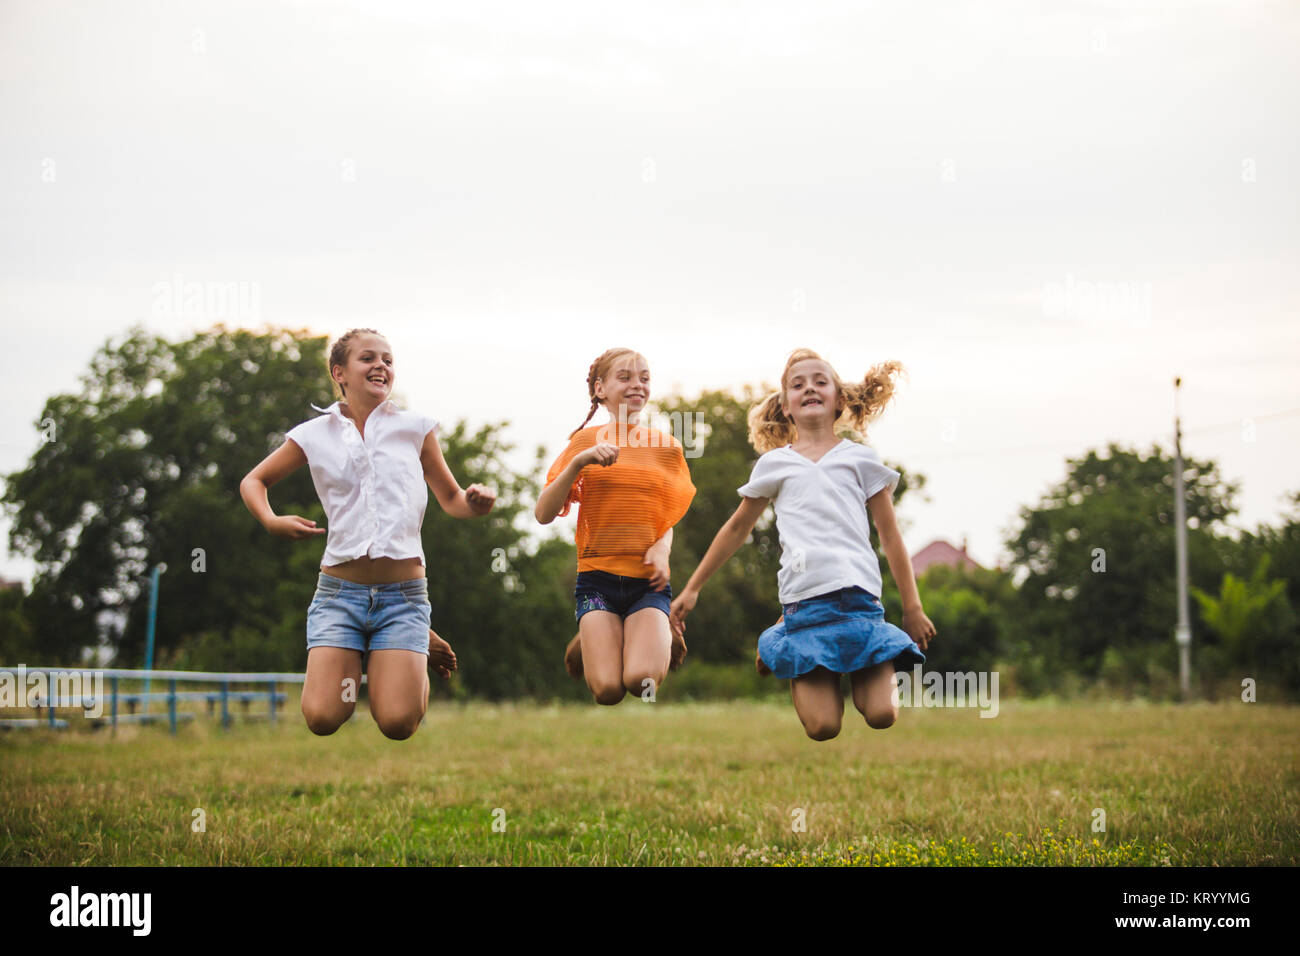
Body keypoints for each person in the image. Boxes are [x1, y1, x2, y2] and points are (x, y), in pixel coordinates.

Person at [239, 328, 495, 739]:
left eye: (388, 360)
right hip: (340, 596)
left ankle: (409, 643)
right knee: (323, 718)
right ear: (339, 371)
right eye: (368, 358)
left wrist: (476, 502)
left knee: (397, 723)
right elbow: (254, 481)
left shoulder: (415, 428)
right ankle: (400, 645)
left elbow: (452, 498)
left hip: (403, 597)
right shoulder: (312, 434)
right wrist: (271, 520)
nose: (381, 366)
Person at [670, 348, 935, 740]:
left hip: (860, 608)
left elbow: (890, 534)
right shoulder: (775, 464)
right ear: (786, 406)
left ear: (839, 400)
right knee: (824, 726)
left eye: (819, 381)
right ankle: (780, 639)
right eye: (798, 385)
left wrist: (912, 607)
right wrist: (692, 588)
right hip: (805, 610)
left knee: (882, 714)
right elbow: (736, 528)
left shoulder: (860, 460)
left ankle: (799, 645)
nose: (809, 388)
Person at [536, 348, 696, 704]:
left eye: (644, 378)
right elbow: (543, 514)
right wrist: (579, 462)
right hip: (596, 581)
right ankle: (598, 630)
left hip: (647, 584)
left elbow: (666, 518)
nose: (637, 385)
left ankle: (655, 629)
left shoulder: (666, 448)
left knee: (642, 684)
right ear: (600, 389)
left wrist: (662, 548)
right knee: (607, 691)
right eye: (625, 377)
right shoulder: (583, 442)